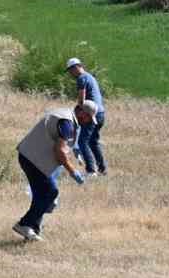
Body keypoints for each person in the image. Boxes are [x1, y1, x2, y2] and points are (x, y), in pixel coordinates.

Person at [13, 100, 97, 242]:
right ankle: (24, 224)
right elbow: (59, 151)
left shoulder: (66, 116)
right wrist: (72, 171)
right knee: (51, 192)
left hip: (30, 156)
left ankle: (32, 230)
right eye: (89, 117)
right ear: (82, 112)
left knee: (42, 195)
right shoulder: (67, 123)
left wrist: (74, 150)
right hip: (33, 159)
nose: (89, 121)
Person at [65, 57, 108, 176]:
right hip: (100, 113)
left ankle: (91, 171)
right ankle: (102, 169)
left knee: (82, 142)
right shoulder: (90, 77)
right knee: (93, 142)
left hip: (89, 114)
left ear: (77, 67)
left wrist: (77, 113)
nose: (70, 73)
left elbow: (81, 100)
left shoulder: (81, 79)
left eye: (70, 70)